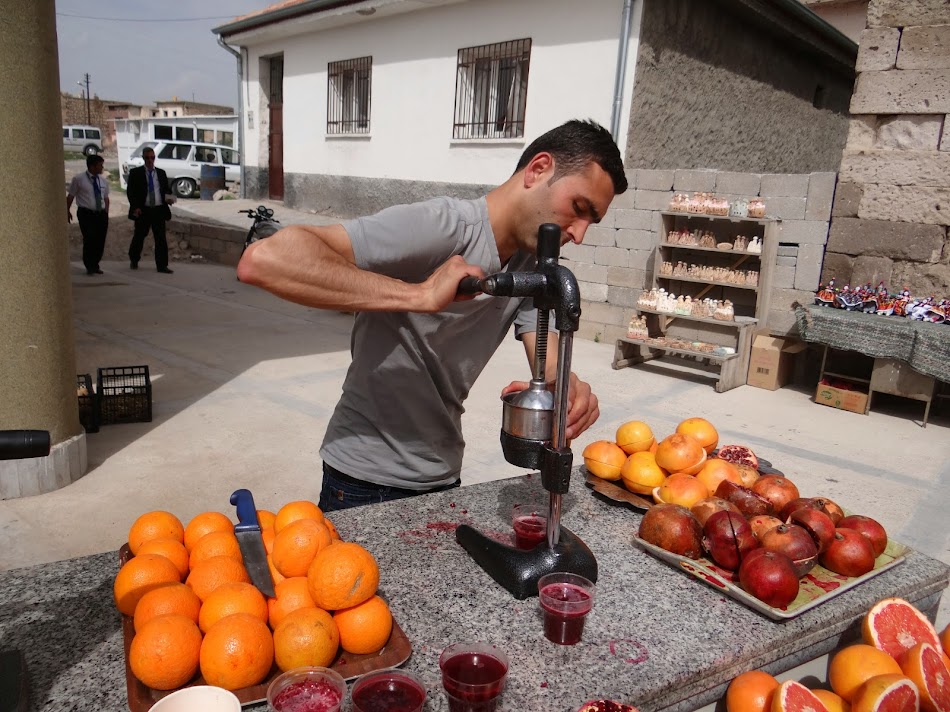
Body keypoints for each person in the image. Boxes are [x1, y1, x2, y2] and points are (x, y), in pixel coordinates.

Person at [238, 119, 628, 511]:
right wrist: (420, 294)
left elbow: (545, 351)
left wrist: (566, 386)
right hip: (363, 480)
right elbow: (266, 260)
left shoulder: (530, 261)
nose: (579, 234)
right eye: (579, 209)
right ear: (538, 169)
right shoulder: (443, 227)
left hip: (442, 473)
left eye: (590, 223)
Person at [126, 146, 175, 273]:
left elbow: (165, 189)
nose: (150, 160)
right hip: (144, 209)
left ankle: (162, 265)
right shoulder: (136, 173)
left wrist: (169, 198)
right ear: (143, 158)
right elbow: (131, 192)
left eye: (152, 158)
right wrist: (135, 207)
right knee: (139, 235)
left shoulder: (161, 173)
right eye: (147, 158)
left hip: (158, 209)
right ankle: (134, 259)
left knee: (160, 238)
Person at [66, 154, 110, 275]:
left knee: (100, 240)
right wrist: (67, 210)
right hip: (86, 213)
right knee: (89, 238)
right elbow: (70, 196)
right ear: (92, 166)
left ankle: (95, 264)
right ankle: (89, 265)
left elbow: (106, 198)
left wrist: (106, 211)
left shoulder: (102, 180)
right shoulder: (78, 179)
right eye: (100, 165)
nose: (102, 167)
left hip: (100, 214)